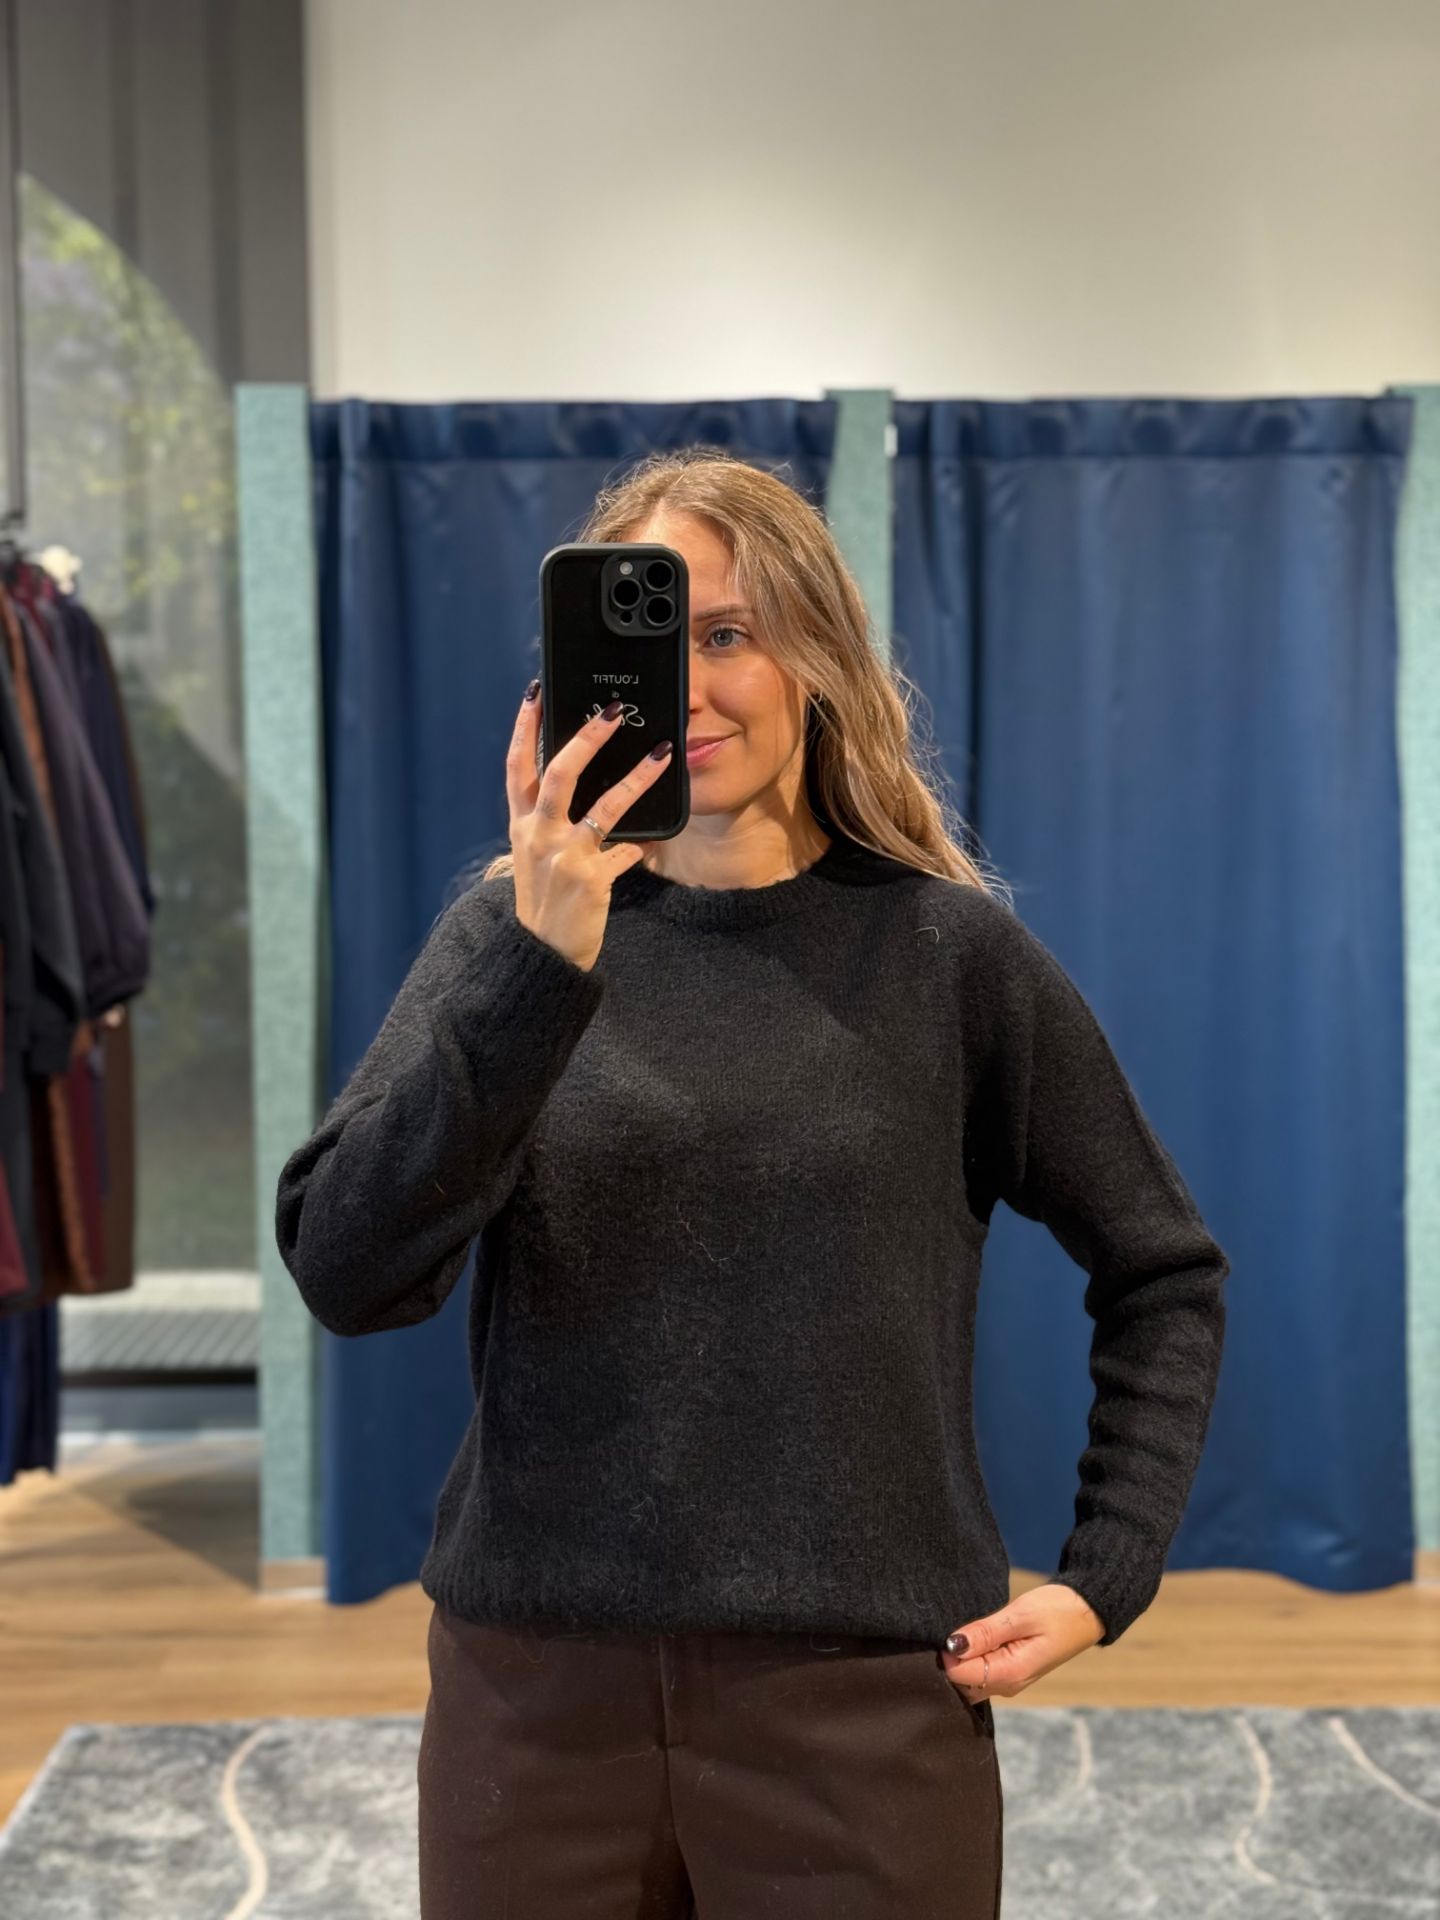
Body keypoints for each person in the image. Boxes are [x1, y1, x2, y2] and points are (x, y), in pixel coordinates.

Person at [275, 449, 1230, 1919]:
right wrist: (540, 965)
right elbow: (349, 1271)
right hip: (534, 1702)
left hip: (859, 1707)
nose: (691, 687)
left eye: (728, 633)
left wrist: (1107, 1574)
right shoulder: (512, 938)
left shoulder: (948, 958)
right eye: (648, 639)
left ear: (818, 657)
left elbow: (1164, 1273)